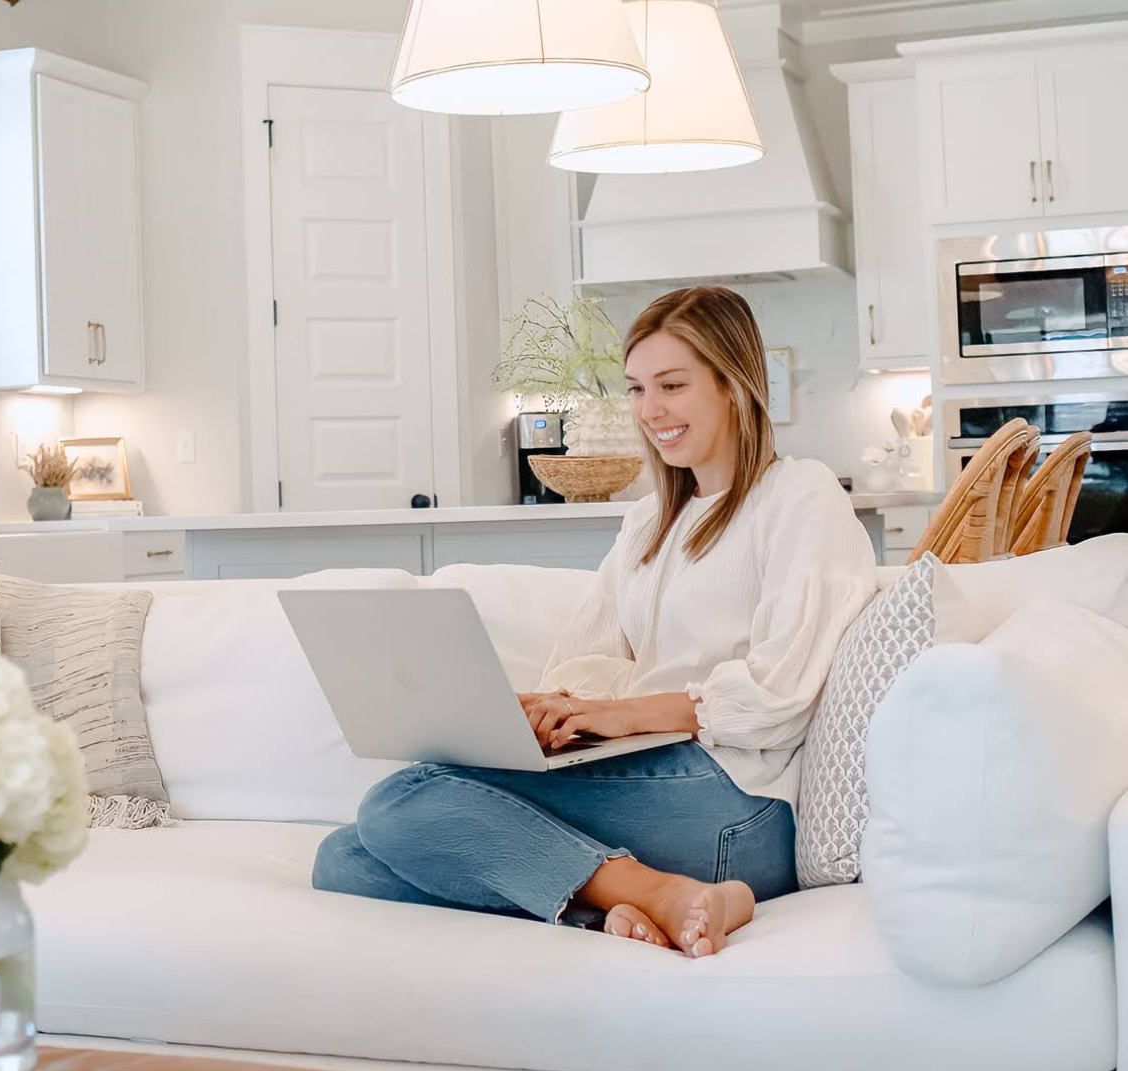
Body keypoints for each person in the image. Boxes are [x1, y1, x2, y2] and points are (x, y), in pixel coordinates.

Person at [311, 286, 876, 957]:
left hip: (739, 805)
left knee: (400, 802)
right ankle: (614, 905)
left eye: (672, 385)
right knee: (345, 859)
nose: (650, 410)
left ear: (735, 385)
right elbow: (588, 657)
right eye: (636, 388)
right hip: (661, 779)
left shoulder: (799, 497)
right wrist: (561, 707)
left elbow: (780, 697)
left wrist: (624, 714)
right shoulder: (648, 522)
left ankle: (658, 892)